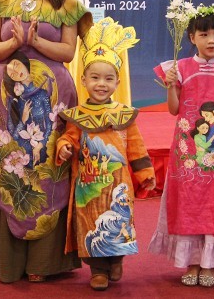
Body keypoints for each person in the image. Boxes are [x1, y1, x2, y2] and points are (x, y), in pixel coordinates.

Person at [0, 0, 92, 283]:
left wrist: (36, 41)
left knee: (48, 168)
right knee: (9, 168)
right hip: (5, 101)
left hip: (51, 103)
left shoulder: (66, 3)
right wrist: (15, 44)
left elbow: (69, 53)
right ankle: (8, 262)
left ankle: (44, 261)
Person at [55, 17, 156, 291]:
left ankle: (115, 261)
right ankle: (97, 270)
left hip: (118, 185)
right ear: (84, 79)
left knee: (120, 223)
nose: (101, 84)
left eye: (108, 78)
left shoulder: (124, 115)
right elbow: (69, 138)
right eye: (95, 78)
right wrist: (64, 146)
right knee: (91, 225)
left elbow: (136, 146)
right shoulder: (77, 115)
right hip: (87, 185)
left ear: (118, 81)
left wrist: (145, 173)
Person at [149, 3, 214, 288]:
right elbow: (174, 110)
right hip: (186, 152)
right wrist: (171, 86)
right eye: (203, 34)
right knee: (188, 203)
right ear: (191, 37)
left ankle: (210, 264)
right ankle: (190, 262)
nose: (211, 40)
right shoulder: (179, 67)